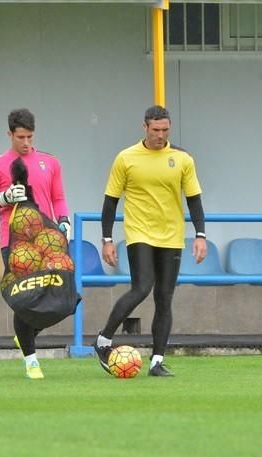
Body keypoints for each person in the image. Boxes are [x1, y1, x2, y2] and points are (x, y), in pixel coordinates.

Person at [94, 105, 207, 377]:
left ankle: (156, 361)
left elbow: (194, 200)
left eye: (165, 130)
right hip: (139, 233)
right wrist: (107, 239)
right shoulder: (126, 158)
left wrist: (200, 235)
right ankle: (103, 340)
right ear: (144, 127)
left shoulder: (182, 159)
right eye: (155, 130)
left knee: (164, 298)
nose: (160, 135)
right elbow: (110, 202)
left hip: (171, 236)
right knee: (142, 287)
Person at [0, 108, 71, 380]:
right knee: (25, 301)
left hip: (48, 240)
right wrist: (3, 198)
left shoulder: (50, 162)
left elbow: (59, 197)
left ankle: (25, 335)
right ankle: (31, 360)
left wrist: (63, 219)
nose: (26, 142)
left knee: (65, 300)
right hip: (15, 243)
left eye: (30, 136)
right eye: (20, 137)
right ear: (9, 134)